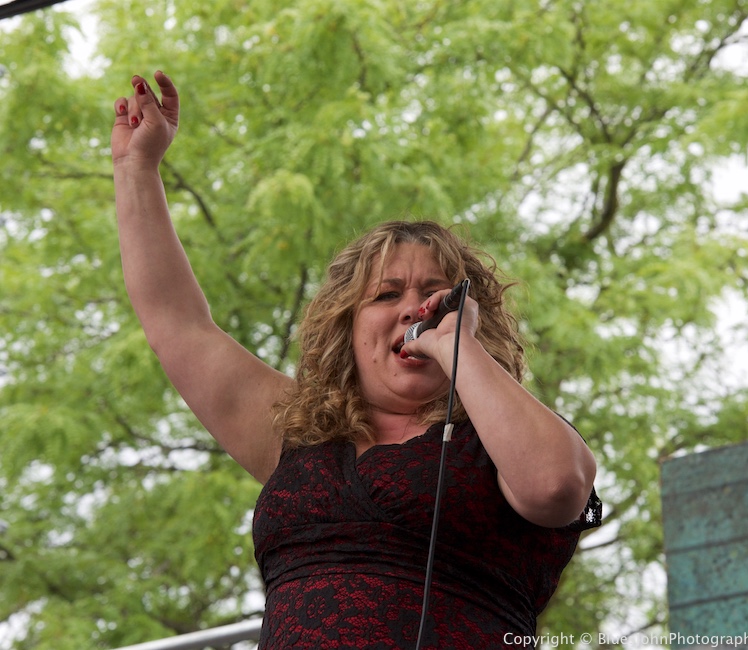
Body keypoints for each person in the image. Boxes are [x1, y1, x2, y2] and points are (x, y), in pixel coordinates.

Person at [111, 71, 601, 649]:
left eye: (435, 295)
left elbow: (554, 487)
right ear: (347, 324)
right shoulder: (296, 432)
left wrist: (457, 347)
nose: (413, 309)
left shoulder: (497, 441)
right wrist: (136, 170)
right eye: (387, 294)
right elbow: (176, 323)